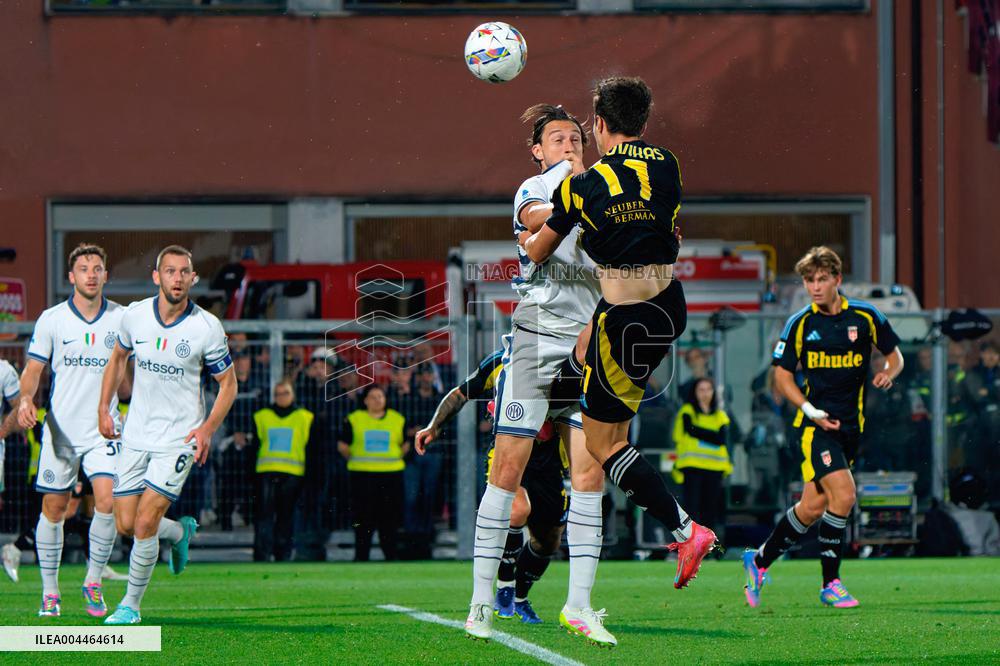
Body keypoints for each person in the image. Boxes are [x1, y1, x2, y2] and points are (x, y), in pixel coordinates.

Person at [521, 77, 718, 626]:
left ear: (598, 125)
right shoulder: (667, 163)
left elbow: (537, 251)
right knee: (597, 444)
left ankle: (686, 530)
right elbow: (662, 226)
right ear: (644, 123)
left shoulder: (582, 186)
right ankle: (581, 600)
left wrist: (531, 220)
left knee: (602, 446)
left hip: (627, 321)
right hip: (665, 306)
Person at [464, 102, 612, 645]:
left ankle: (579, 606)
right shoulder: (534, 185)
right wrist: (569, 185)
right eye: (557, 138)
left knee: (590, 474)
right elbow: (534, 222)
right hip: (535, 335)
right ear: (538, 150)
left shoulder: (604, 190)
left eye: (576, 137)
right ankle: (481, 601)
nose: (570, 144)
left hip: (586, 343)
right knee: (507, 468)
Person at [742, 246, 904, 609]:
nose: (814, 287)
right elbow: (781, 375)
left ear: (837, 279)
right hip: (815, 427)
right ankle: (831, 583)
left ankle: (759, 559)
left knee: (812, 507)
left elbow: (896, 356)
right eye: (809, 280)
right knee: (844, 497)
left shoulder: (865, 316)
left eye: (821, 279)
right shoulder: (799, 323)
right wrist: (809, 409)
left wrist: (887, 373)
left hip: (850, 429)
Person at [98, 244, 237, 625]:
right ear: (156, 277)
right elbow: (117, 359)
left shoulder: (206, 327)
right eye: (170, 271)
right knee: (125, 523)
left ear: (193, 278)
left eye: (184, 272)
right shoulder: (134, 316)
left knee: (144, 523)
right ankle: (178, 532)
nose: (177, 278)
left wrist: (207, 429)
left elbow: (229, 385)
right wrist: (103, 408)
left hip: (179, 438)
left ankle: (130, 606)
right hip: (136, 434)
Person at [13, 243, 131, 619]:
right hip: (61, 430)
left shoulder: (122, 318)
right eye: (84, 268)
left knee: (108, 501)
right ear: (72, 276)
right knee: (54, 509)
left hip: (104, 429)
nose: (91, 274)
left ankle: (93, 581)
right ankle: (50, 594)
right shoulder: (52, 319)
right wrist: (26, 400)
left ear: (106, 275)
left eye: (98, 268)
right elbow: (33, 371)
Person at [416, 348, 568, 625]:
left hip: (549, 462)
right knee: (516, 510)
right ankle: (505, 585)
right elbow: (460, 393)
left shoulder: (566, 361)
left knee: (548, 540)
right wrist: (434, 426)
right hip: (507, 453)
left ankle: (519, 598)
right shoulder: (501, 361)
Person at [337, 385, 408, 562]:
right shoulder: (354, 419)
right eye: (373, 396)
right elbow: (343, 446)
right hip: (362, 475)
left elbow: (406, 443)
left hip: (390, 475)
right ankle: (361, 556)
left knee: (389, 519)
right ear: (365, 400)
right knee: (362, 519)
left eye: (380, 396)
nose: (377, 400)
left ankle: (390, 556)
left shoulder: (397, 419)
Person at [253, 379, 317, 561]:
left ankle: (283, 554)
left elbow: (311, 449)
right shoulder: (261, 416)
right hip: (266, 471)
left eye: (285, 393)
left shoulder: (305, 417)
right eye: (278, 394)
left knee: (286, 517)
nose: (281, 397)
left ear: (293, 394)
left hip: (293, 474)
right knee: (264, 516)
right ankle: (262, 554)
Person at [672, 378, 732, 536]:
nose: (705, 394)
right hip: (692, 467)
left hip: (715, 468)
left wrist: (702, 433)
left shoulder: (720, 415)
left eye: (708, 389)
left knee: (710, 509)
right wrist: (712, 435)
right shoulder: (687, 411)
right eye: (701, 390)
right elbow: (691, 429)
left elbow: (722, 438)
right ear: (694, 393)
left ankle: (709, 547)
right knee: (692, 508)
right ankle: (691, 544)